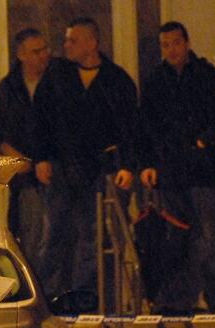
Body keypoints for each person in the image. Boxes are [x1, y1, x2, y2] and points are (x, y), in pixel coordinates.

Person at [139, 22, 215, 314]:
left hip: (202, 171)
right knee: (176, 240)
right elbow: (144, 128)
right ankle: (178, 300)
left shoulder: (209, 76)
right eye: (165, 45)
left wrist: (205, 140)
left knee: (210, 237)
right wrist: (147, 164)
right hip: (169, 173)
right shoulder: (155, 81)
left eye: (176, 43)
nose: (171, 50)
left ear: (187, 43)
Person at [32, 17, 138, 301]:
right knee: (53, 235)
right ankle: (46, 297)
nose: (66, 46)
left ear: (92, 43)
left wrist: (126, 165)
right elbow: (40, 120)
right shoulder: (57, 78)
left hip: (97, 170)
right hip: (63, 167)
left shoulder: (116, 81)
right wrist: (42, 158)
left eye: (73, 40)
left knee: (93, 238)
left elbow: (129, 128)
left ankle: (85, 299)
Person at [0, 27, 51, 279]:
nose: (43, 56)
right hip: (27, 177)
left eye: (44, 50)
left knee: (52, 235)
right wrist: (13, 156)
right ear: (21, 55)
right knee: (32, 234)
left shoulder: (56, 80)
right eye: (35, 52)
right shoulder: (10, 88)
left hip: (54, 170)